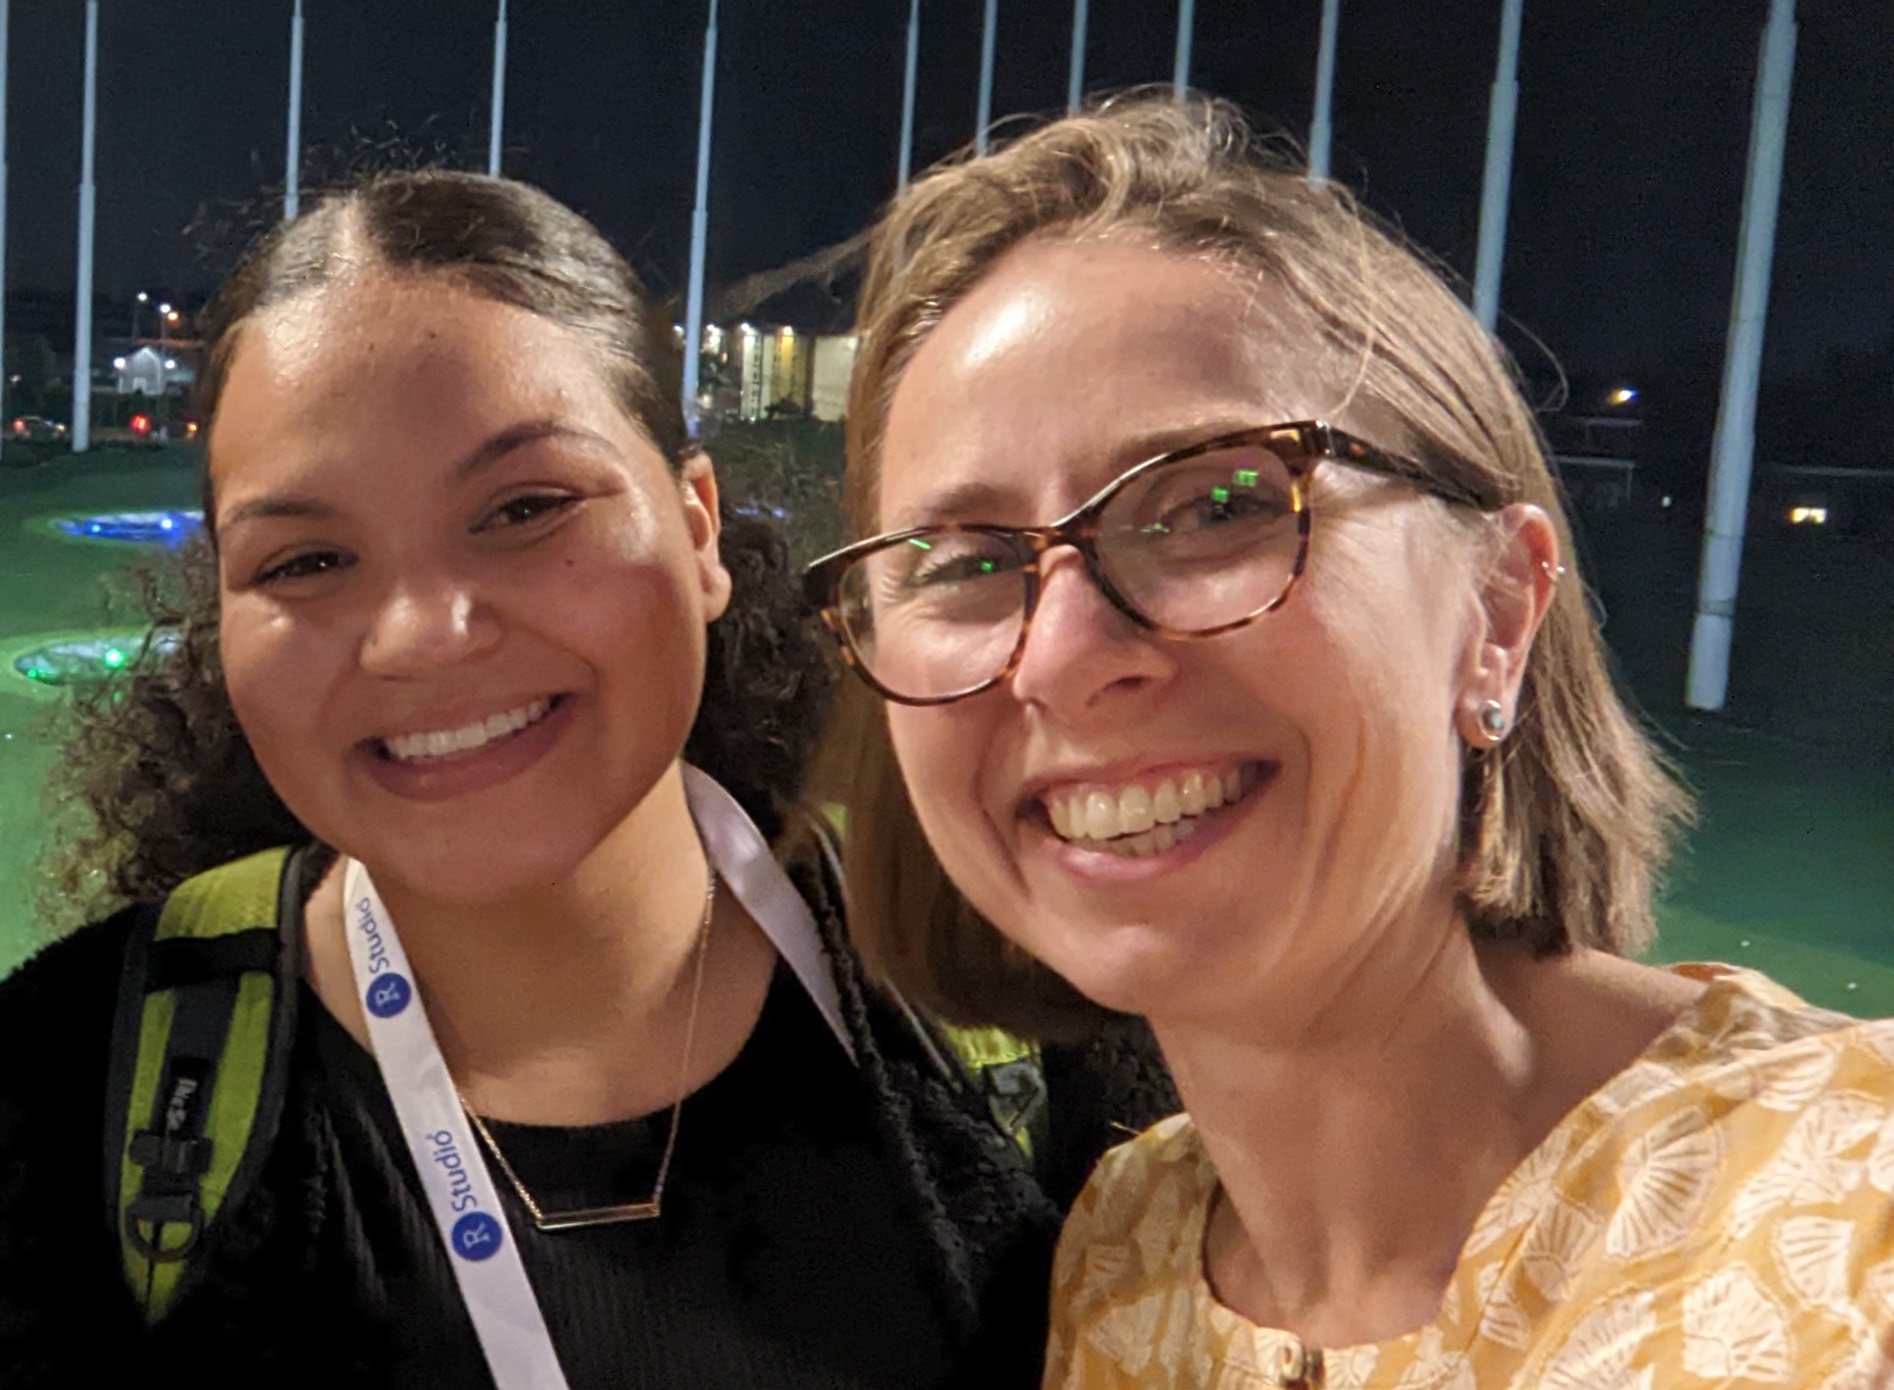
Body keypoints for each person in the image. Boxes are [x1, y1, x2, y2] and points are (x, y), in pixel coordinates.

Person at [0, 170, 1171, 1389]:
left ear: (700, 528)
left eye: (523, 507)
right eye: (307, 558)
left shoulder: (1008, 977)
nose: (421, 634)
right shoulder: (70, 1093)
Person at [806, 95, 1894, 1388]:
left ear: (1495, 611)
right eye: (966, 561)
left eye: (1214, 504)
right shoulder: (1121, 1253)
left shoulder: (1857, 1211)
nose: (1060, 654)